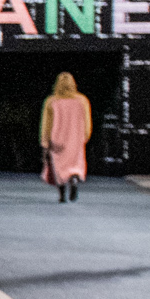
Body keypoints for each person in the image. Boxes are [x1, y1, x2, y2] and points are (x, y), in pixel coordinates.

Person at [41, 72, 93, 202]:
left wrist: (45, 141)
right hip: (76, 138)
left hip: (57, 139)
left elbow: (46, 124)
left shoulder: (51, 101)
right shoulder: (82, 100)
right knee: (75, 164)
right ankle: (74, 179)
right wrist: (85, 136)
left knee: (59, 167)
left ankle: (62, 195)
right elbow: (87, 121)